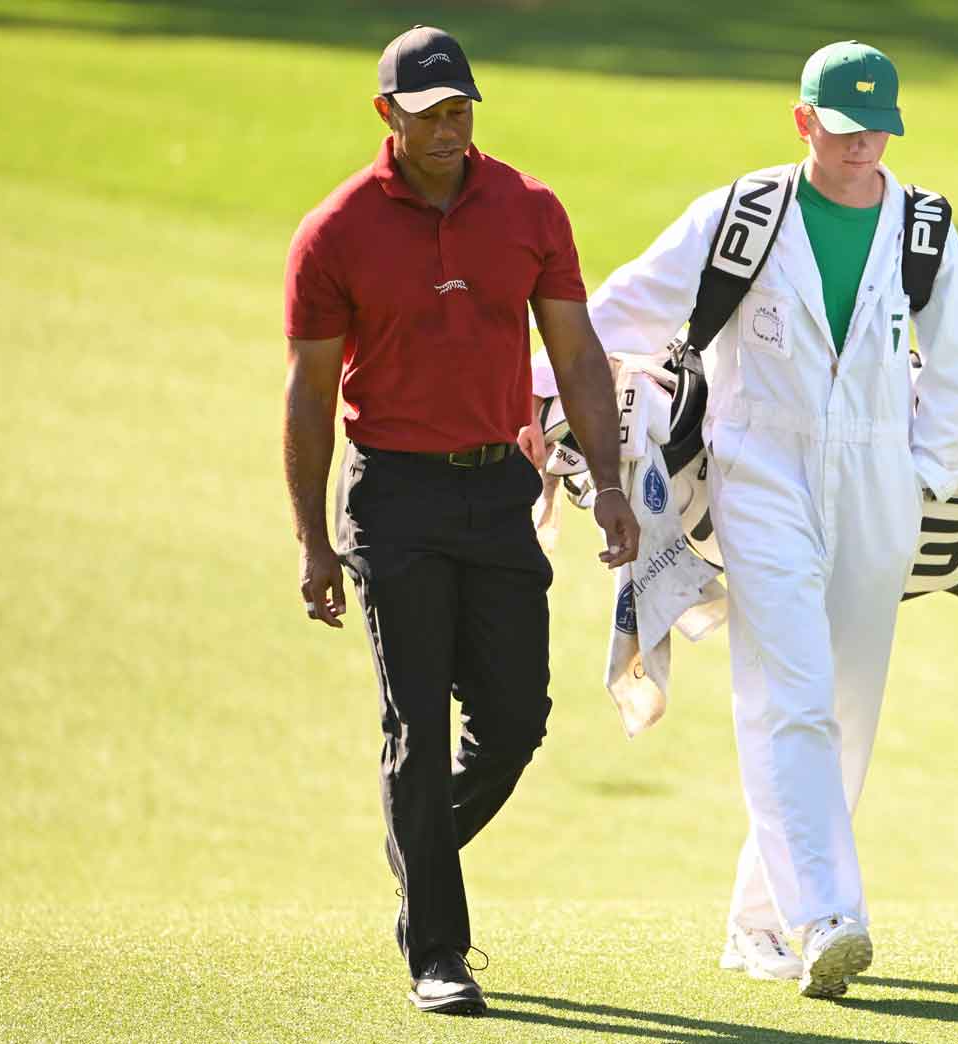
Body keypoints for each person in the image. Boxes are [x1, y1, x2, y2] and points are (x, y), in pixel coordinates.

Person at [585, 40, 958, 999]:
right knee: (788, 693)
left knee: (845, 711)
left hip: (880, 486)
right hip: (759, 472)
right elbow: (615, 312)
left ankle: (758, 922)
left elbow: (953, 372)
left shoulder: (924, 227)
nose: (859, 147)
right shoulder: (741, 217)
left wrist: (925, 482)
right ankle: (828, 918)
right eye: (841, 129)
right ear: (802, 122)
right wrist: (563, 407)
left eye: (875, 128)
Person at [281, 25, 639, 1017]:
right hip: (392, 497)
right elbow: (309, 396)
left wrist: (604, 481)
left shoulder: (528, 208)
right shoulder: (337, 230)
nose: (449, 126)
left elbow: (575, 355)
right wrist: (312, 541)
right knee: (419, 727)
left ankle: (415, 850)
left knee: (517, 720)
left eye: (461, 109)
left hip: (498, 492)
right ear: (385, 113)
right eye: (429, 111)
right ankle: (438, 951)